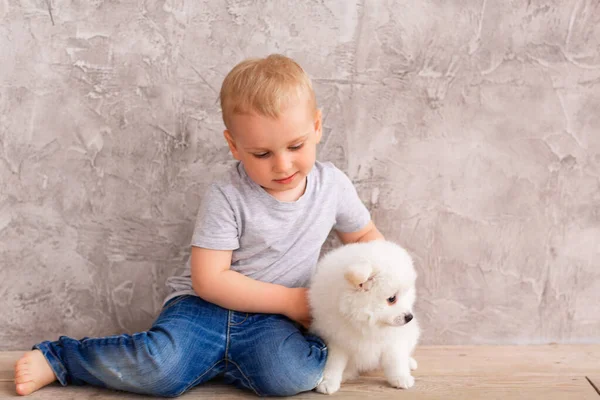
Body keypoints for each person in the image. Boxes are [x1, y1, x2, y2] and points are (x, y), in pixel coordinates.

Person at [14, 54, 385, 397]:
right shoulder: (227, 194)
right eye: (262, 154)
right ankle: (60, 358)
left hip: (272, 322)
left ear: (317, 126)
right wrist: (291, 300)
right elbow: (210, 279)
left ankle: (224, 363)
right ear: (234, 146)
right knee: (161, 367)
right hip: (202, 309)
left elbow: (366, 238)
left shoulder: (332, 186)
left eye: (295, 146)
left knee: (294, 375)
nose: (283, 165)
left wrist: (380, 284)